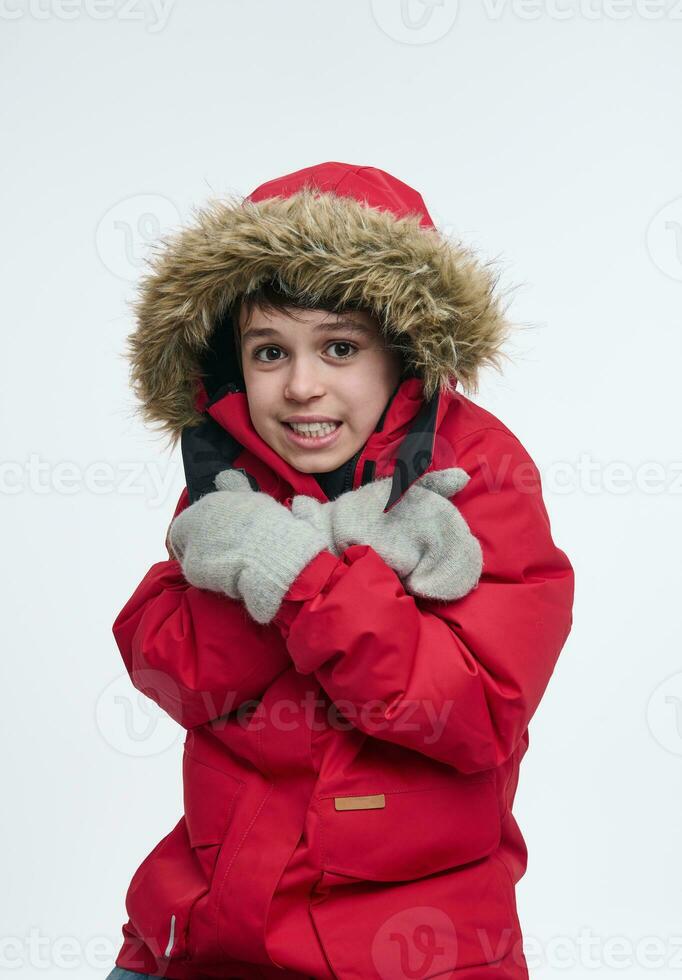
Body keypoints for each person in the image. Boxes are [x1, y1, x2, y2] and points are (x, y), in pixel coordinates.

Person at [107, 161, 575, 980]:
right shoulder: (233, 479)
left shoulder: (479, 479)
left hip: (407, 953)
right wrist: (285, 556)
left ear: (406, 352)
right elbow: (172, 673)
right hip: (201, 934)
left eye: (339, 347)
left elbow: (472, 714)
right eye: (268, 351)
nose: (300, 386)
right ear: (229, 361)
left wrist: (301, 574)